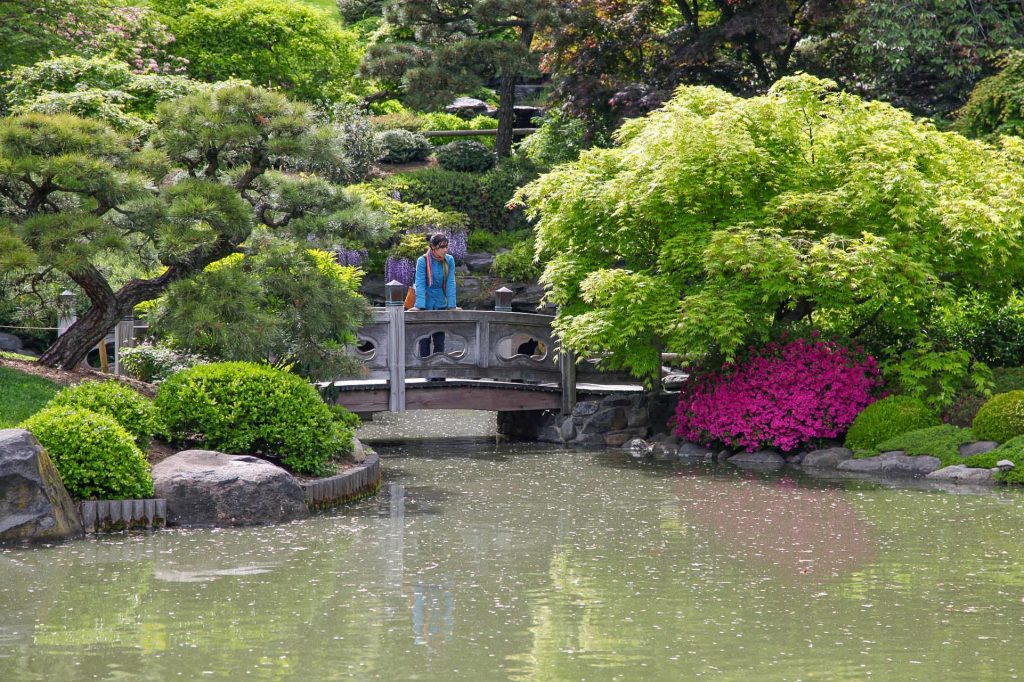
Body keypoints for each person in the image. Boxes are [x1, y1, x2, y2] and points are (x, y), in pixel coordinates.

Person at [408, 233, 459, 358]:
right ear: (433, 247)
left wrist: (452, 306)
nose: (445, 250)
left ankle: (439, 374)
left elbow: (450, 282)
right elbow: (419, 282)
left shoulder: (449, 260)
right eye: (442, 247)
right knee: (424, 339)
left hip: (441, 302)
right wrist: (419, 305)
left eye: (446, 247)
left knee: (440, 339)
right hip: (425, 301)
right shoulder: (423, 260)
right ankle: (425, 371)